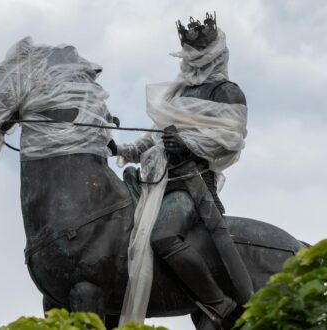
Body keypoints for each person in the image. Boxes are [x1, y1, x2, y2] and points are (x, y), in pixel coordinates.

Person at [111, 12, 253, 329]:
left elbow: (231, 140)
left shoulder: (227, 92)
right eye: (189, 51)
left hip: (191, 186)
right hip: (153, 183)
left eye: (199, 51)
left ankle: (219, 303)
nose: (192, 58)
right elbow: (151, 139)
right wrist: (117, 149)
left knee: (163, 237)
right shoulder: (179, 93)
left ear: (215, 52)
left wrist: (188, 146)